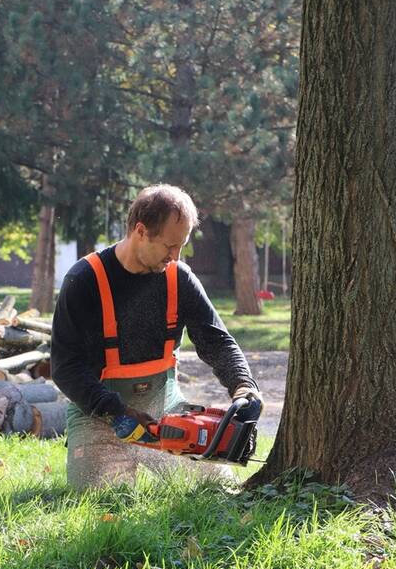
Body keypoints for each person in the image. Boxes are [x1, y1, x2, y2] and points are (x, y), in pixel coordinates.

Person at [51, 184, 263, 488]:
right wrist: (115, 412)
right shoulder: (84, 280)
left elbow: (216, 340)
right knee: (103, 500)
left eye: (182, 246)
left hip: (166, 411)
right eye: (169, 246)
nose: (175, 256)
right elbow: (65, 367)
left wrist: (244, 386)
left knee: (216, 488)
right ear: (140, 231)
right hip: (99, 415)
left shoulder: (180, 278)